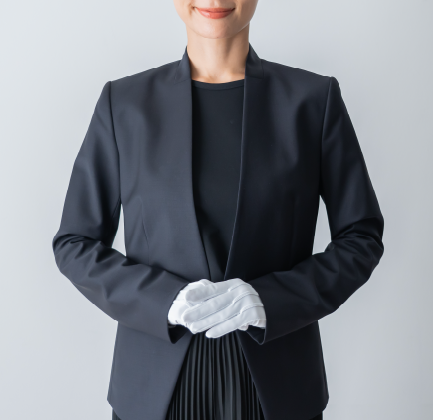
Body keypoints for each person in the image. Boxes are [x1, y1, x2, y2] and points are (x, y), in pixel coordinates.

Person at [51, 1, 384, 419]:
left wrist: (272, 300)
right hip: (154, 392)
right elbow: (75, 243)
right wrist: (163, 301)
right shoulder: (124, 104)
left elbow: (361, 237)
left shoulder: (313, 101)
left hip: (278, 390)